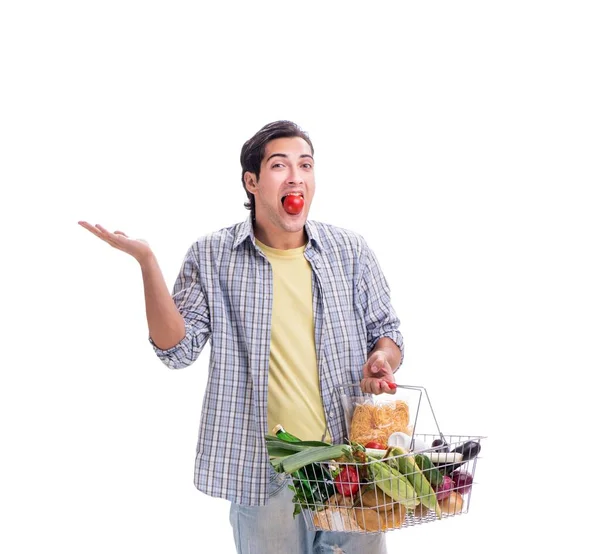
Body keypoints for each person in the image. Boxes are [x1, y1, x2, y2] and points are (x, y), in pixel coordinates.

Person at [78, 120, 403, 554]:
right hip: (264, 475)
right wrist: (147, 263)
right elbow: (177, 349)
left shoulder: (350, 251)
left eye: (305, 165)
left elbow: (387, 332)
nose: (296, 177)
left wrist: (382, 358)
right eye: (279, 166)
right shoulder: (213, 256)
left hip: (349, 467)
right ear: (251, 181)